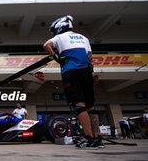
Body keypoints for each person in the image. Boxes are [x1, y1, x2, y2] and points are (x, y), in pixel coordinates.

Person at [43, 15, 103, 149]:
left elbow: (46, 45)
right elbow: (90, 57)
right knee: (91, 107)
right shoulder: (84, 38)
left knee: (79, 105)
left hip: (71, 72)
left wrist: (57, 58)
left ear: (59, 27)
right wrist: (92, 74)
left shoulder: (59, 37)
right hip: (86, 71)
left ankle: (88, 139)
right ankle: (97, 138)